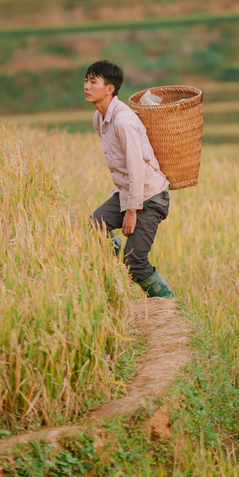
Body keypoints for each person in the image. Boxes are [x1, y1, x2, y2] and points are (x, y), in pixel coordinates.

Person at [85, 60, 174, 298]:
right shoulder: (99, 118)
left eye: (93, 81)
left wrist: (131, 211)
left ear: (109, 89)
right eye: (86, 80)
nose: (86, 86)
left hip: (150, 196)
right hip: (127, 193)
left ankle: (168, 306)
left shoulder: (124, 121)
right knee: (93, 227)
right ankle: (120, 262)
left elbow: (136, 169)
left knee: (134, 264)